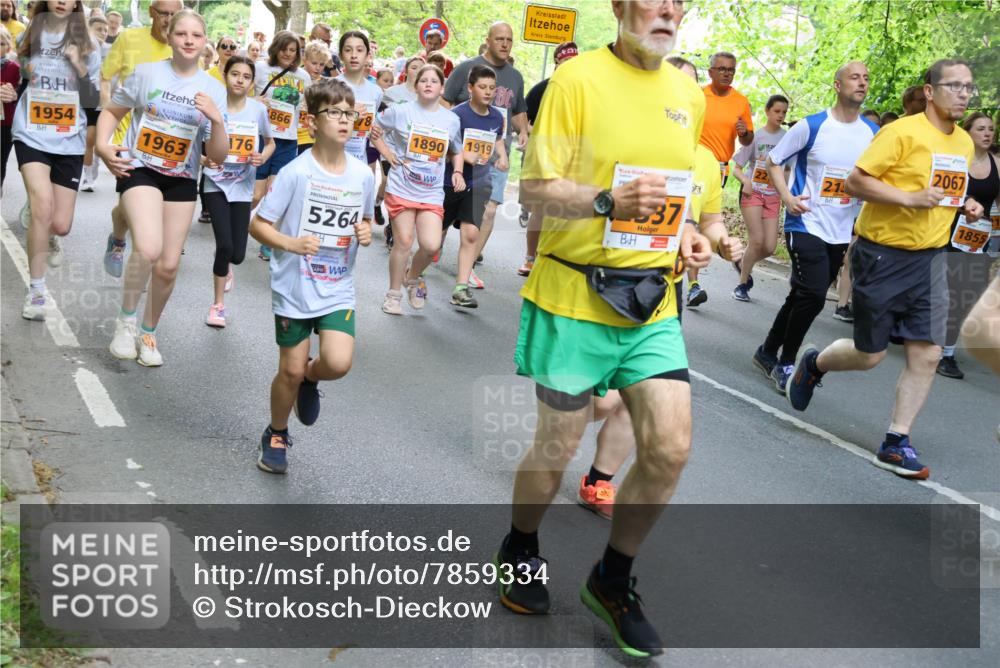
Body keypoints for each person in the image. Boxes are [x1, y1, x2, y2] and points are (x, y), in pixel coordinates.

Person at [496, 0, 713, 656]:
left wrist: (692, 233)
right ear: (621, 6)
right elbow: (534, 189)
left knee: (670, 448)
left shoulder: (687, 93)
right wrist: (605, 202)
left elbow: (684, 192)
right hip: (572, 297)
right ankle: (521, 544)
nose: (670, 9)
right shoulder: (576, 81)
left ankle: (612, 580)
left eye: (681, 0)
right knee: (559, 445)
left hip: (653, 303)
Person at [786, 59, 983, 480]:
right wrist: (910, 199)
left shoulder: (964, 142)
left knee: (927, 352)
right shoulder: (901, 132)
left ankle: (896, 441)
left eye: (969, 87)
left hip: (930, 258)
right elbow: (857, 182)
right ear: (929, 91)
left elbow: (945, 186)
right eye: (954, 86)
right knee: (870, 354)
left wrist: (964, 202)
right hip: (881, 255)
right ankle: (815, 364)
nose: (964, 94)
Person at [577, 54, 742, 520]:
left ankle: (599, 481)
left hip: (662, 294)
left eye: (690, 92)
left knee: (638, 395)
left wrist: (717, 242)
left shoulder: (707, 161)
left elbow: (709, 219)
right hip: (602, 283)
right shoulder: (625, 141)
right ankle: (561, 419)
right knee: (594, 399)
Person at [249, 79, 374, 474]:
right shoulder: (295, 172)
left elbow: (366, 218)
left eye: (349, 113)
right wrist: (289, 243)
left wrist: (366, 231)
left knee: (337, 363)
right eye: (334, 112)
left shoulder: (362, 176)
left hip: (337, 284)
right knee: (288, 367)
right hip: (295, 285)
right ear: (311, 121)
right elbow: (258, 224)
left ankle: (310, 379)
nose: (343, 120)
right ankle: (276, 432)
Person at [97, 8, 227, 366]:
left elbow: (217, 155)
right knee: (150, 248)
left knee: (169, 266)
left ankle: (148, 332)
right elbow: (112, 111)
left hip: (182, 179)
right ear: (169, 36)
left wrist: (216, 120)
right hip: (141, 168)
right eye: (181, 33)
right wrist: (103, 146)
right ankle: (125, 322)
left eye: (196, 36)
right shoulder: (147, 74)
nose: (188, 40)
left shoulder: (214, 89)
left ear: (205, 43)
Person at [752, 62, 879, 392]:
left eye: (866, 78)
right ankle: (786, 363)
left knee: (800, 293)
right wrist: (787, 197)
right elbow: (773, 161)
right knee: (813, 294)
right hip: (805, 221)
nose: (862, 82)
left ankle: (767, 351)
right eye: (855, 77)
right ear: (837, 85)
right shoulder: (811, 126)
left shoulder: (871, 133)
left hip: (840, 229)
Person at [13, 0, 100, 321]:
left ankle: (46, 228)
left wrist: (79, 65)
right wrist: (17, 80)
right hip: (31, 134)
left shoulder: (89, 43)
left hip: (69, 139)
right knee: (43, 207)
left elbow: (93, 102)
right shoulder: (30, 35)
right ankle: (36, 291)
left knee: (61, 225)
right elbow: (17, 78)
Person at [372, 63, 463, 315]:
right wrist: (389, 154)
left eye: (434, 81)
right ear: (416, 85)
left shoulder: (451, 120)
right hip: (402, 186)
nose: (428, 84)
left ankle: (412, 278)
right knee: (403, 241)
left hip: (431, 191)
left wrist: (456, 170)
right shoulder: (400, 111)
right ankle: (393, 295)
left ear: (441, 87)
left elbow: (456, 149)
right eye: (424, 80)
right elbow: (374, 130)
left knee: (432, 245)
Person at [443, 21, 528, 290]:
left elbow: (516, 111)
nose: (505, 44)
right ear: (488, 40)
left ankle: (465, 271)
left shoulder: (515, 76)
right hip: (461, 154)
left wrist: (523, 130)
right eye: (500, 39)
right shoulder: (466, 69)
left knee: (489, 210)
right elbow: (446, 103)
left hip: (494, 152)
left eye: (509, 40)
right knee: (447, 209)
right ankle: (432, 247)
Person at [98, 0, 180, 279]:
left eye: (174, 14)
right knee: (131, 202)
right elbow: (106, 77)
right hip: (127, 137)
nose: (168, 19)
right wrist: (111, 118)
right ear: (151, 13)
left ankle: (139, 256)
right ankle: (120, 240)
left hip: (166, 141)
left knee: (151, 207)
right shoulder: (130, 38)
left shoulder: (184, 46)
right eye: (164, 13)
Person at [201, 55, 274, 327]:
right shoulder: (213, 109)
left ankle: (227, 265)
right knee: (225, 245)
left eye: (246, 76)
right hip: (215, 183)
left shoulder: (257, 111)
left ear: (252, 82)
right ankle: (218, 305)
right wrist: (203, 160)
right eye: (235, 74)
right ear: (225, 76)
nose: (240, 80)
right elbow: (194, 146)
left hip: (243, 186)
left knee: (238, 255)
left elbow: (270, 143)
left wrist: (262, 157)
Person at [687, 50, 754, 307]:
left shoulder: (740, 101)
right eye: (722, 69)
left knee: (706, 222)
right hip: (693, 163)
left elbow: (748, 140)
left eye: (731, 70)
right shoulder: (698, 96)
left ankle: (692, 276)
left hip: (719, 169)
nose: (727, 73)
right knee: (693, 220)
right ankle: (693, 284)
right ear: (710, 72)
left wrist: (745, 132)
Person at [935, 112, 999, 379]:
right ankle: (933, 345)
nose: (987, 134)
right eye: (981, 129)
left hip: (978, 239)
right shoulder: (957, 158)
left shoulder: (997, 163)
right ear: (968, 131)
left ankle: (946, 353)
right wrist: (965, 204)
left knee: (967, 295)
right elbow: (943, 190)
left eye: (991, 129)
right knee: (946, 293)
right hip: (945, 232)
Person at [440, 64, 507, 308]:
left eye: (492, 88)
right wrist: (462, 155)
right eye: (482, 87)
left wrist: (502, 156)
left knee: (471, 234)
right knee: (435, 238)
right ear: (470, 88)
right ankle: (417, 270)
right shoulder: (457, 114)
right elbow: (445, 147)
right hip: (451, 182)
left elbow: (497, 139)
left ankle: (461, 288)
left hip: (479, 182)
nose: (488, 92)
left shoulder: (497, 117)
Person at [517, 40, 578, 277]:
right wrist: (530, 131)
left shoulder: (584, 90)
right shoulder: (541, 89)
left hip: (574, 157)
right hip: (544, 156)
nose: (570, 66)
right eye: (565, 61)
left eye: (574, 61)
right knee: (541, 210)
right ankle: (530, 258)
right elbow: (524, 120)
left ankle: (555, 260)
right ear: (557, 62)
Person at [252, 29, 309, 260]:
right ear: (276, 48)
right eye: (284, 49)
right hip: (262, 137)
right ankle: (237, 222)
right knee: (256, 195)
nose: (288, 54)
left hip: (287, 140)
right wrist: (253, 100)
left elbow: (306, 106)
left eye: (293, 50)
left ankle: (268, 239)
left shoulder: (304, 76)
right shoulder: (260, 68)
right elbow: (238, 93)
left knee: (274, 193)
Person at [731, 94, 789, 301]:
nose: (780, 115)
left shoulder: (786, 138)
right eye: (776, 111)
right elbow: (737, 168)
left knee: (770, 246)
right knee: (756, 241)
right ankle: (742, 284)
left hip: (773, 196)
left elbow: (788, 170)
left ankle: (742, 261)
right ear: (767, 111)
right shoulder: (756, 137)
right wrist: (746, 181)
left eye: (784, 112)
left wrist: (786, 193)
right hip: (753, 192)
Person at [335, 31, 382, 170]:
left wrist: (375, 131)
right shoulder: (329, 87)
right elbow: (316, 130)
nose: (354, 55)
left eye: (360, 50)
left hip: (359, 164)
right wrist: (347, 113)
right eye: (348, 50)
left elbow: (370, 129)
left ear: (368, 56)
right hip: (330, 163)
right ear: (341, 56)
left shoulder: (376, 92)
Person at [78, 14, 110, 193]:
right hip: (81, 94)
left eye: (106, 30)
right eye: (99, 29)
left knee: (93, 138)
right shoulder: (84, 44)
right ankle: (87, 175)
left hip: (99, 97)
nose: (103, 33)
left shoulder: (109, 50)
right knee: (87, 140)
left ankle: (91, 176)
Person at [297, 39, 331, 156]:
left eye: (321, 64)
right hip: (292, 133)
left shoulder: (325, 84)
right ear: (304, 60)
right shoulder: (295, 77)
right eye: (314, 63)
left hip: (311, 136)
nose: (317, 68)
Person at [0, 25, 20, 190]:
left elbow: (22, 94)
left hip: (5, 125)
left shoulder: (14, 69)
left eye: (0, 43)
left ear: (8, 47)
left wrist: (14, 95)